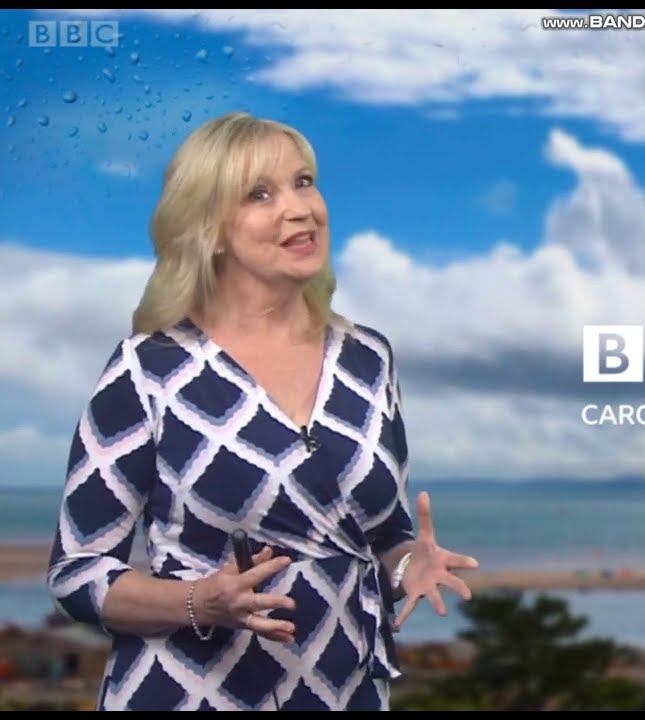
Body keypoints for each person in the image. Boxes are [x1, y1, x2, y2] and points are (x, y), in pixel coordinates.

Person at [45, 111, 478, 711]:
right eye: (260, 194)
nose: (300, 209)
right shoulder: (148, 370)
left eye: (304, 182)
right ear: (210, 230)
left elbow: (381, 536)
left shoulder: (368, 359)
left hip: (344, 691)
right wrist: (200, 602)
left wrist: (410, 565)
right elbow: (78, 571)